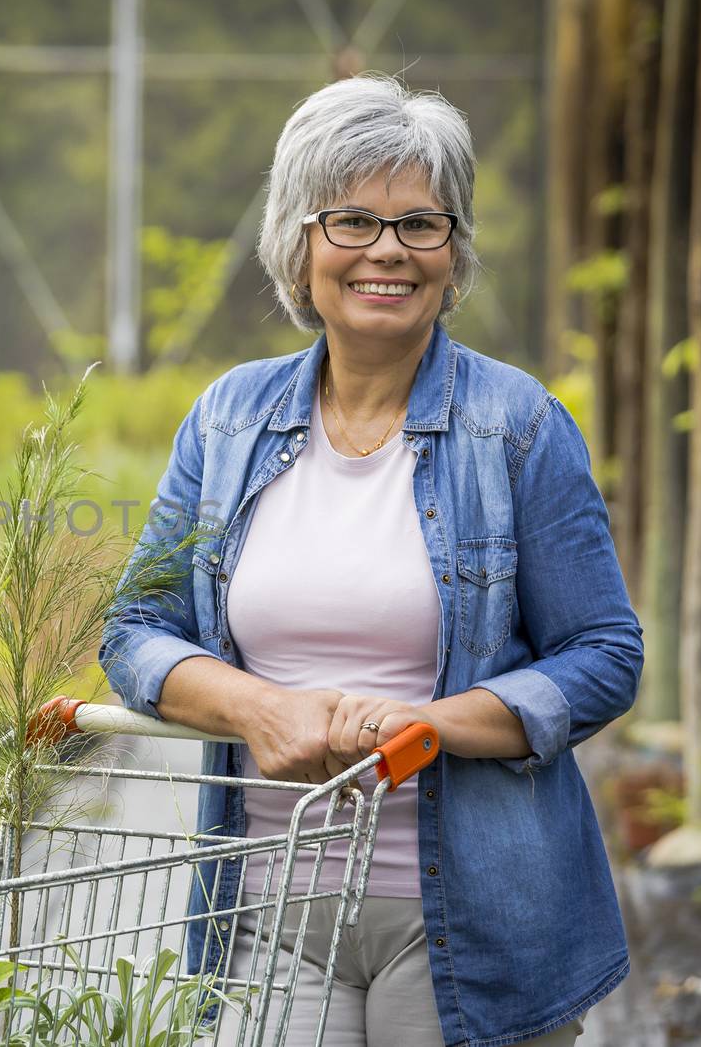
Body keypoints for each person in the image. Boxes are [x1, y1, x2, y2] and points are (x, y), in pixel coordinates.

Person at [100, 74, 642, 1047]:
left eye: (419, 224)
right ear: (297, 244)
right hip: (265, 908)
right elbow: (135, 632)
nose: (386, 248)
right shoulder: (229, 416)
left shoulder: (516, 425)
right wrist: (257, 706)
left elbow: (602, 654)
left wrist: (427, 724)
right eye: (350, 219)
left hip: (470, 924)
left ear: (453, 251)